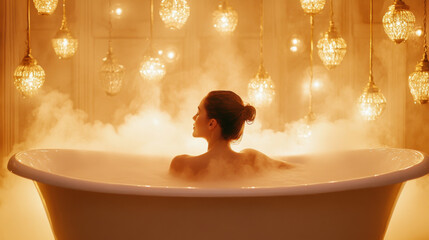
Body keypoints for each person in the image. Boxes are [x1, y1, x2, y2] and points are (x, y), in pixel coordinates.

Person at [169, 90, 292, 180]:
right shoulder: (253, 160)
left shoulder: (181, 164)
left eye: (198, 112)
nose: (194, 117)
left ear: (212, 123)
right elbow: (298, 172)